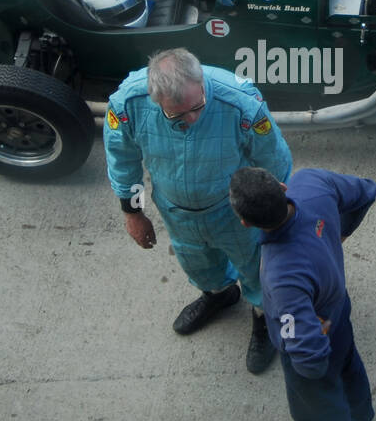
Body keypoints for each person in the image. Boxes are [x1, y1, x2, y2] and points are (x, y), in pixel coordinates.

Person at [105, 48, 292, 372]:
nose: (191, 119)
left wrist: (276, 215)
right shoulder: (127, 105)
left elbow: (273, 159)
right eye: (178, 115)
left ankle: (263, 317)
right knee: (195, 260)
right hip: (177, 212)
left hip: (234, 213)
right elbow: (122, 159)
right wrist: (133, 212)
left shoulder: (240, 102)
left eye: (198, 107)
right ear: (155, 99)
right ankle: (219, 294)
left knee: (256, 266)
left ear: (201, 82)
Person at [229, 166, 376, 421]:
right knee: (350, 369)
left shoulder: (282, 277)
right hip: (338, 310)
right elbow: (366, 190)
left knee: (315, 402)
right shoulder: (311, 183)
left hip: (320, 330)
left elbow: (310, 360)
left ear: (244, 222)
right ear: (282, 188)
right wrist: (341, 232)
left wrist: (311, 366)